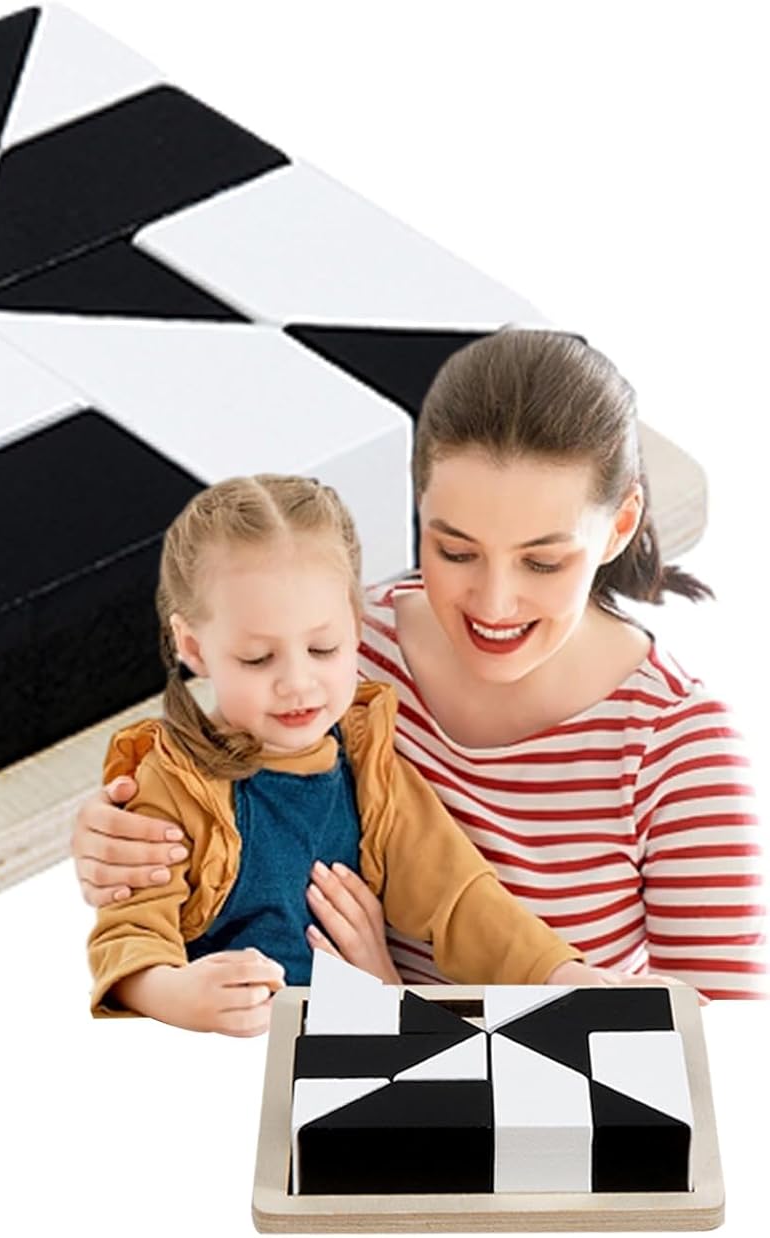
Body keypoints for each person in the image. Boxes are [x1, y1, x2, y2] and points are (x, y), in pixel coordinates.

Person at [77, 329, 763, 1002]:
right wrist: (121, 843)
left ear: (619, 526)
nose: (493, 603)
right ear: (418, 510)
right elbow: (211, 802)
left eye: (543, 562)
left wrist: (392, 1007)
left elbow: (719, 1062)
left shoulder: (679, 751)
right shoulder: (341, 654)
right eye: (456, 551)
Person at [89, 473, 641, 1035]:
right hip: (227, 1057)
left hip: (351, 1049)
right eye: (258, 658)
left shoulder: (369, 766)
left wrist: (557, 973)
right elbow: (129, 932)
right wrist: (174, 993)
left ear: (354, 627)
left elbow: (457, 897)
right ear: (194, 648)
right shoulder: (172, 780)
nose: (298, 683)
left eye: (322, 648)